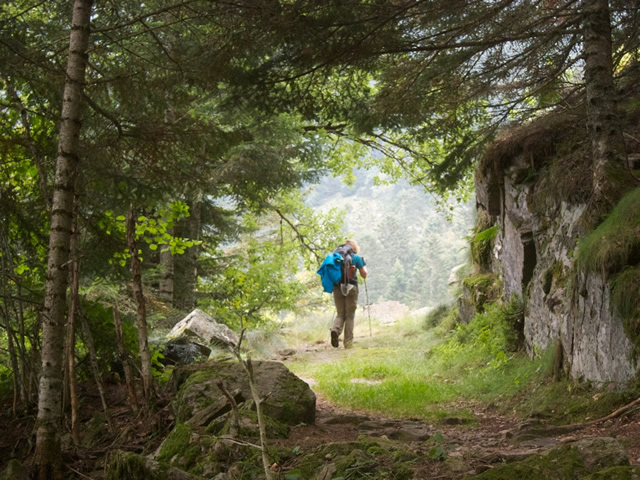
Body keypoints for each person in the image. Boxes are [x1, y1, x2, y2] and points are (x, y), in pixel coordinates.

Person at [330, 239, 367, 349]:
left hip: (337, 288)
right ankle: (348, 344)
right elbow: (364, 274)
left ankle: (335, 330)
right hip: (351, 287)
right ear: (354, 248)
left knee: (340, 313)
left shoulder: (336, 257)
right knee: (350, 316)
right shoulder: (356, 258)